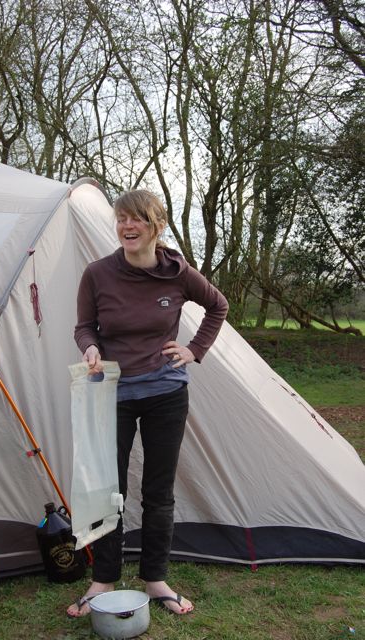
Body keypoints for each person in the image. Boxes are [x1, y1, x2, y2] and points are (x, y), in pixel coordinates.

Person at [67, 189, 228, 617]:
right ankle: (104, 578)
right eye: (121, 219)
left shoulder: (177, 273)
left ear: (156, 225)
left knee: (158, 492)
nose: (127, 226)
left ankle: (155, 578)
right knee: (109, 491)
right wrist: (90, 348)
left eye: (136, 219)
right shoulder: (97, 273)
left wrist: (194, 350)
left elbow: (218, 306)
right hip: (113, 395)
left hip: (166, 395)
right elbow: (85, 326)